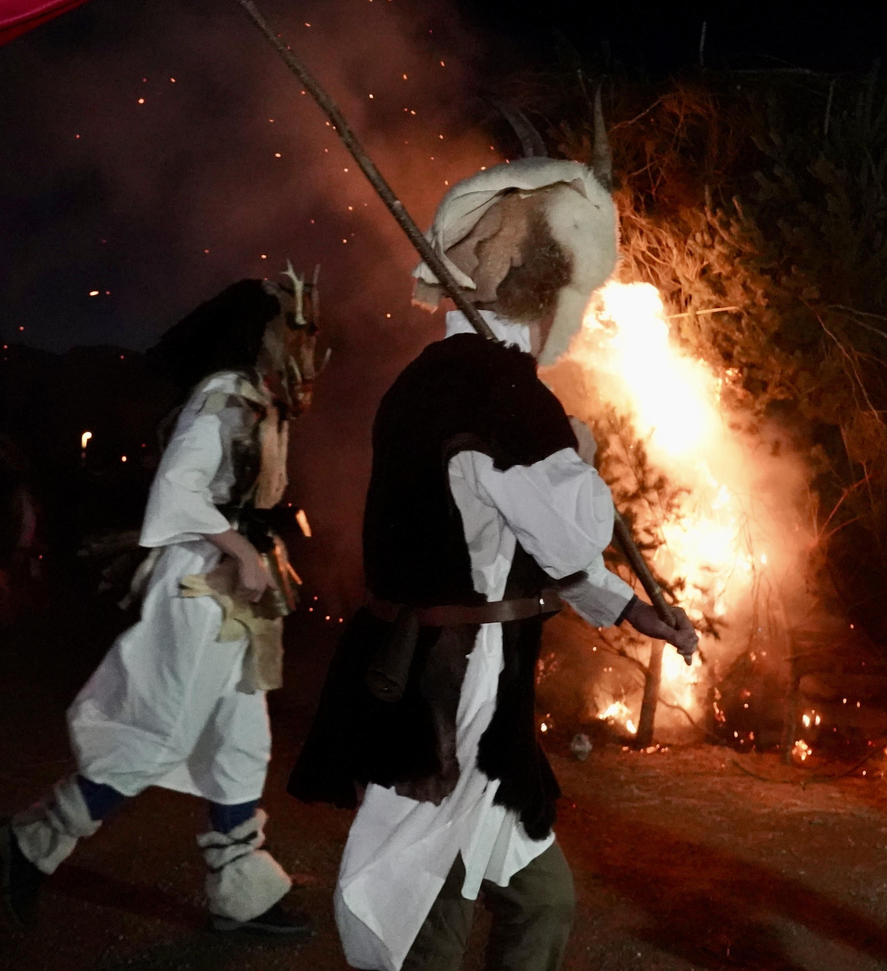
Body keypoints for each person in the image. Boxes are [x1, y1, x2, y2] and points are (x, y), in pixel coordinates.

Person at [288, 154, 697, 971]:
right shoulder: (497, 392)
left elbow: (508, 547)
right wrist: (576, 452)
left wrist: (628, 607)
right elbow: (572, 534)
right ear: (542, 294)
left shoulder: (435, 381)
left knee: (543, 901)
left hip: (480, 709)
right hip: (446, 707)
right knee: (424, 929)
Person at [0, 269, 324, 937]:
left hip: (236, 591)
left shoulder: (261, 402)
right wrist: (237, 548)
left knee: (242, 738)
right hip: (198, 585)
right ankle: (33, 839)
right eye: (285, 327)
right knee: (158, 729)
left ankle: (240, 891)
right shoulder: (222, 397)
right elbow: (176, 491)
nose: (301, 340)